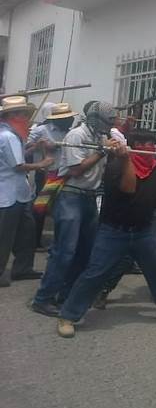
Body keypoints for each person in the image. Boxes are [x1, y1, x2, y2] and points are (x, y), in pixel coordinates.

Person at [56, 128, 156, 338]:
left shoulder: (155, 166)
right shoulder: (115, 165)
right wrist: (125, 160)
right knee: (94, 274)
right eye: (141, 144)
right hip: (113, 232)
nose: (147, 148)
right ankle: (68, 316)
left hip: (143, 232)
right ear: (132, 146)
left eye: (150, 144)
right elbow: (129, 188)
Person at [31, 101, 118, 317]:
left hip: (89, 197)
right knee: (65, 251)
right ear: (97, 119)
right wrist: (102, 152)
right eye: (108, 122)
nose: (110, 126)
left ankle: (66, 295)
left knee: (85, 252)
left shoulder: (100, 137)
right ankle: (43, 298)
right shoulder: (76, 136)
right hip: (71, 195)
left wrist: (113, 152)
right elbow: (76, 170)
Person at [0, 96, 53, 287]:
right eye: (23, 115)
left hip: (18, 194)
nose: (26, 119)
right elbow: (18, 165)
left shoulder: (11, 135)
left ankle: (23, 268)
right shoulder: (8, 137)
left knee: (26, 232)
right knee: (5, 236)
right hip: (9, 194)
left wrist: (34, 147)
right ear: (13, 116)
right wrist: (42, 163)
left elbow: (17, 157)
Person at [26, 103, 79, 250]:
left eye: (71, 118)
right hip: (44, 174)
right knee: (40, 208)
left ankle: (58, 242)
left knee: (61, 208)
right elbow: (25, 149)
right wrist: (40, 145)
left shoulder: (71, 133)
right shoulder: (40, 130)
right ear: (57, 119)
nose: (70, 121)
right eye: (67, 119)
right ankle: (35, 241)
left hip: (64, 174)